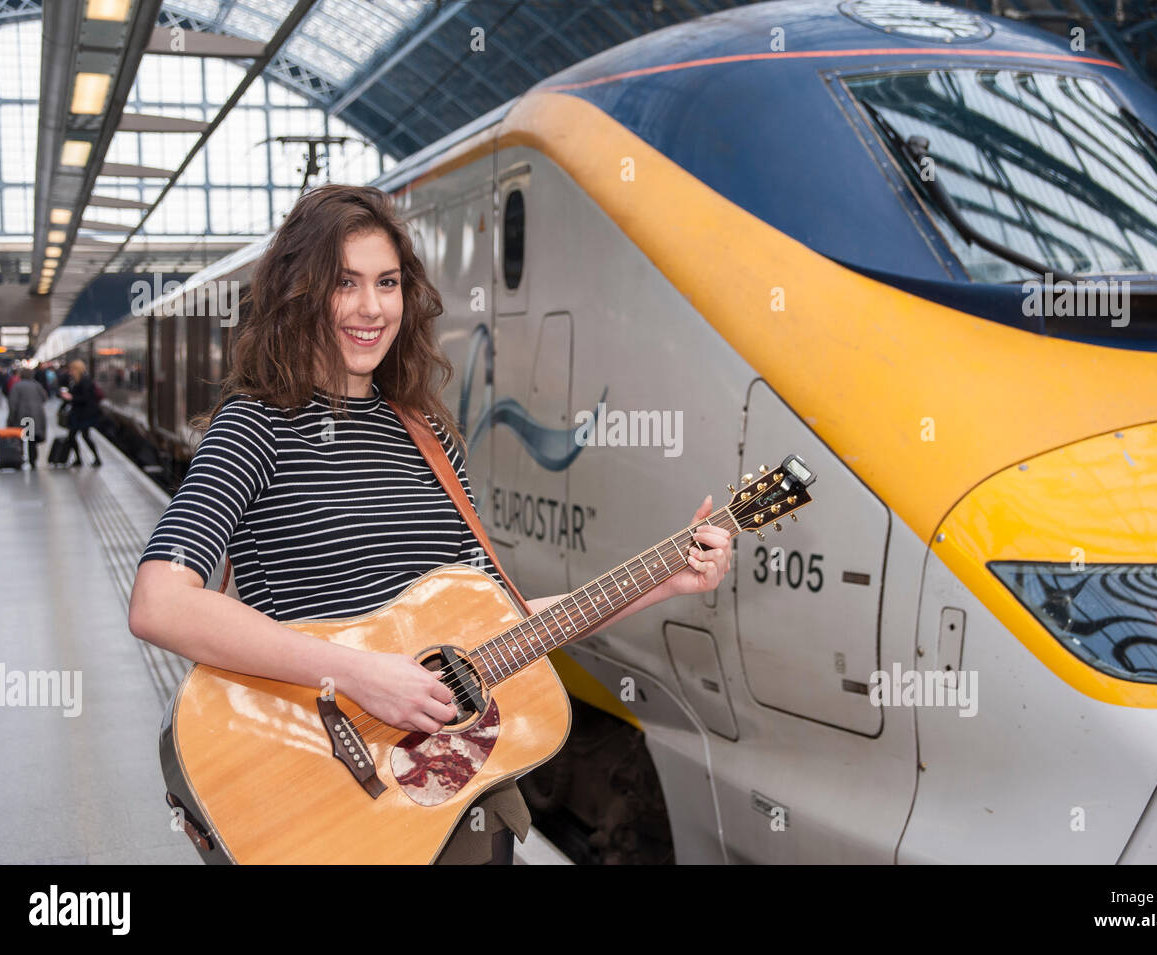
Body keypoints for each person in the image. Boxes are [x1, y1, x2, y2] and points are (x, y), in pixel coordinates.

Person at [127, 183, 733, 865]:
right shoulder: (254, 428)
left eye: (387, 282)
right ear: (298, 292)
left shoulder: (427, 439)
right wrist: (356, 673)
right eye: (343, 282)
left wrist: (662, 580)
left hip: (450, 800)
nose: (370, 307)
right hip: (319, 788)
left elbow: (499, 631)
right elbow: (160, 602)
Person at [59, 360, 101, 467]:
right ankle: (80, 459)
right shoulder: (76, 381)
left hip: (83, 415)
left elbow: (86, 398)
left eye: (72, 370)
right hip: (78, 414)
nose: (70, 372)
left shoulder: (85, 381)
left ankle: (95, 458)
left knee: (83, 436)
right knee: (74, 436)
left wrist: (71, 397)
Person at [6, 367, 47, 467]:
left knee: (19, 438)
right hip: (34, 416)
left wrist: (10, 418)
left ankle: (19, 459)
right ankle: (33, 460)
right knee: (31, 439)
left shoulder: (17, 386)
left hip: (21, 416)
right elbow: (44, 397)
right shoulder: (36, 385)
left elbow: (13, 403)